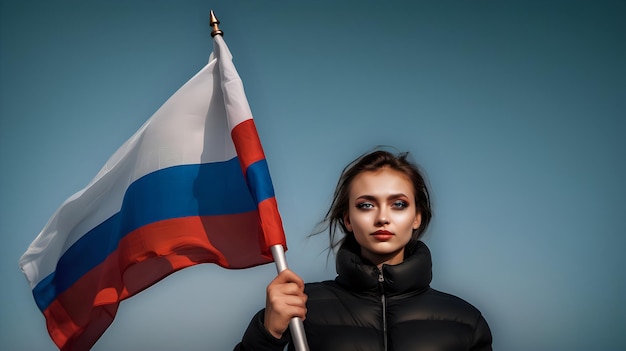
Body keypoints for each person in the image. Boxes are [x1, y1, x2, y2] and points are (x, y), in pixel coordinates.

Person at [234, 150, 492, 351]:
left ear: (417, 218)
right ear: (348, 219)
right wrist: (266, 335)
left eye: (398, 204)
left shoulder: (467, 320)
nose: (382, 218)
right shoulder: (300, 308)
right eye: (366, 205)